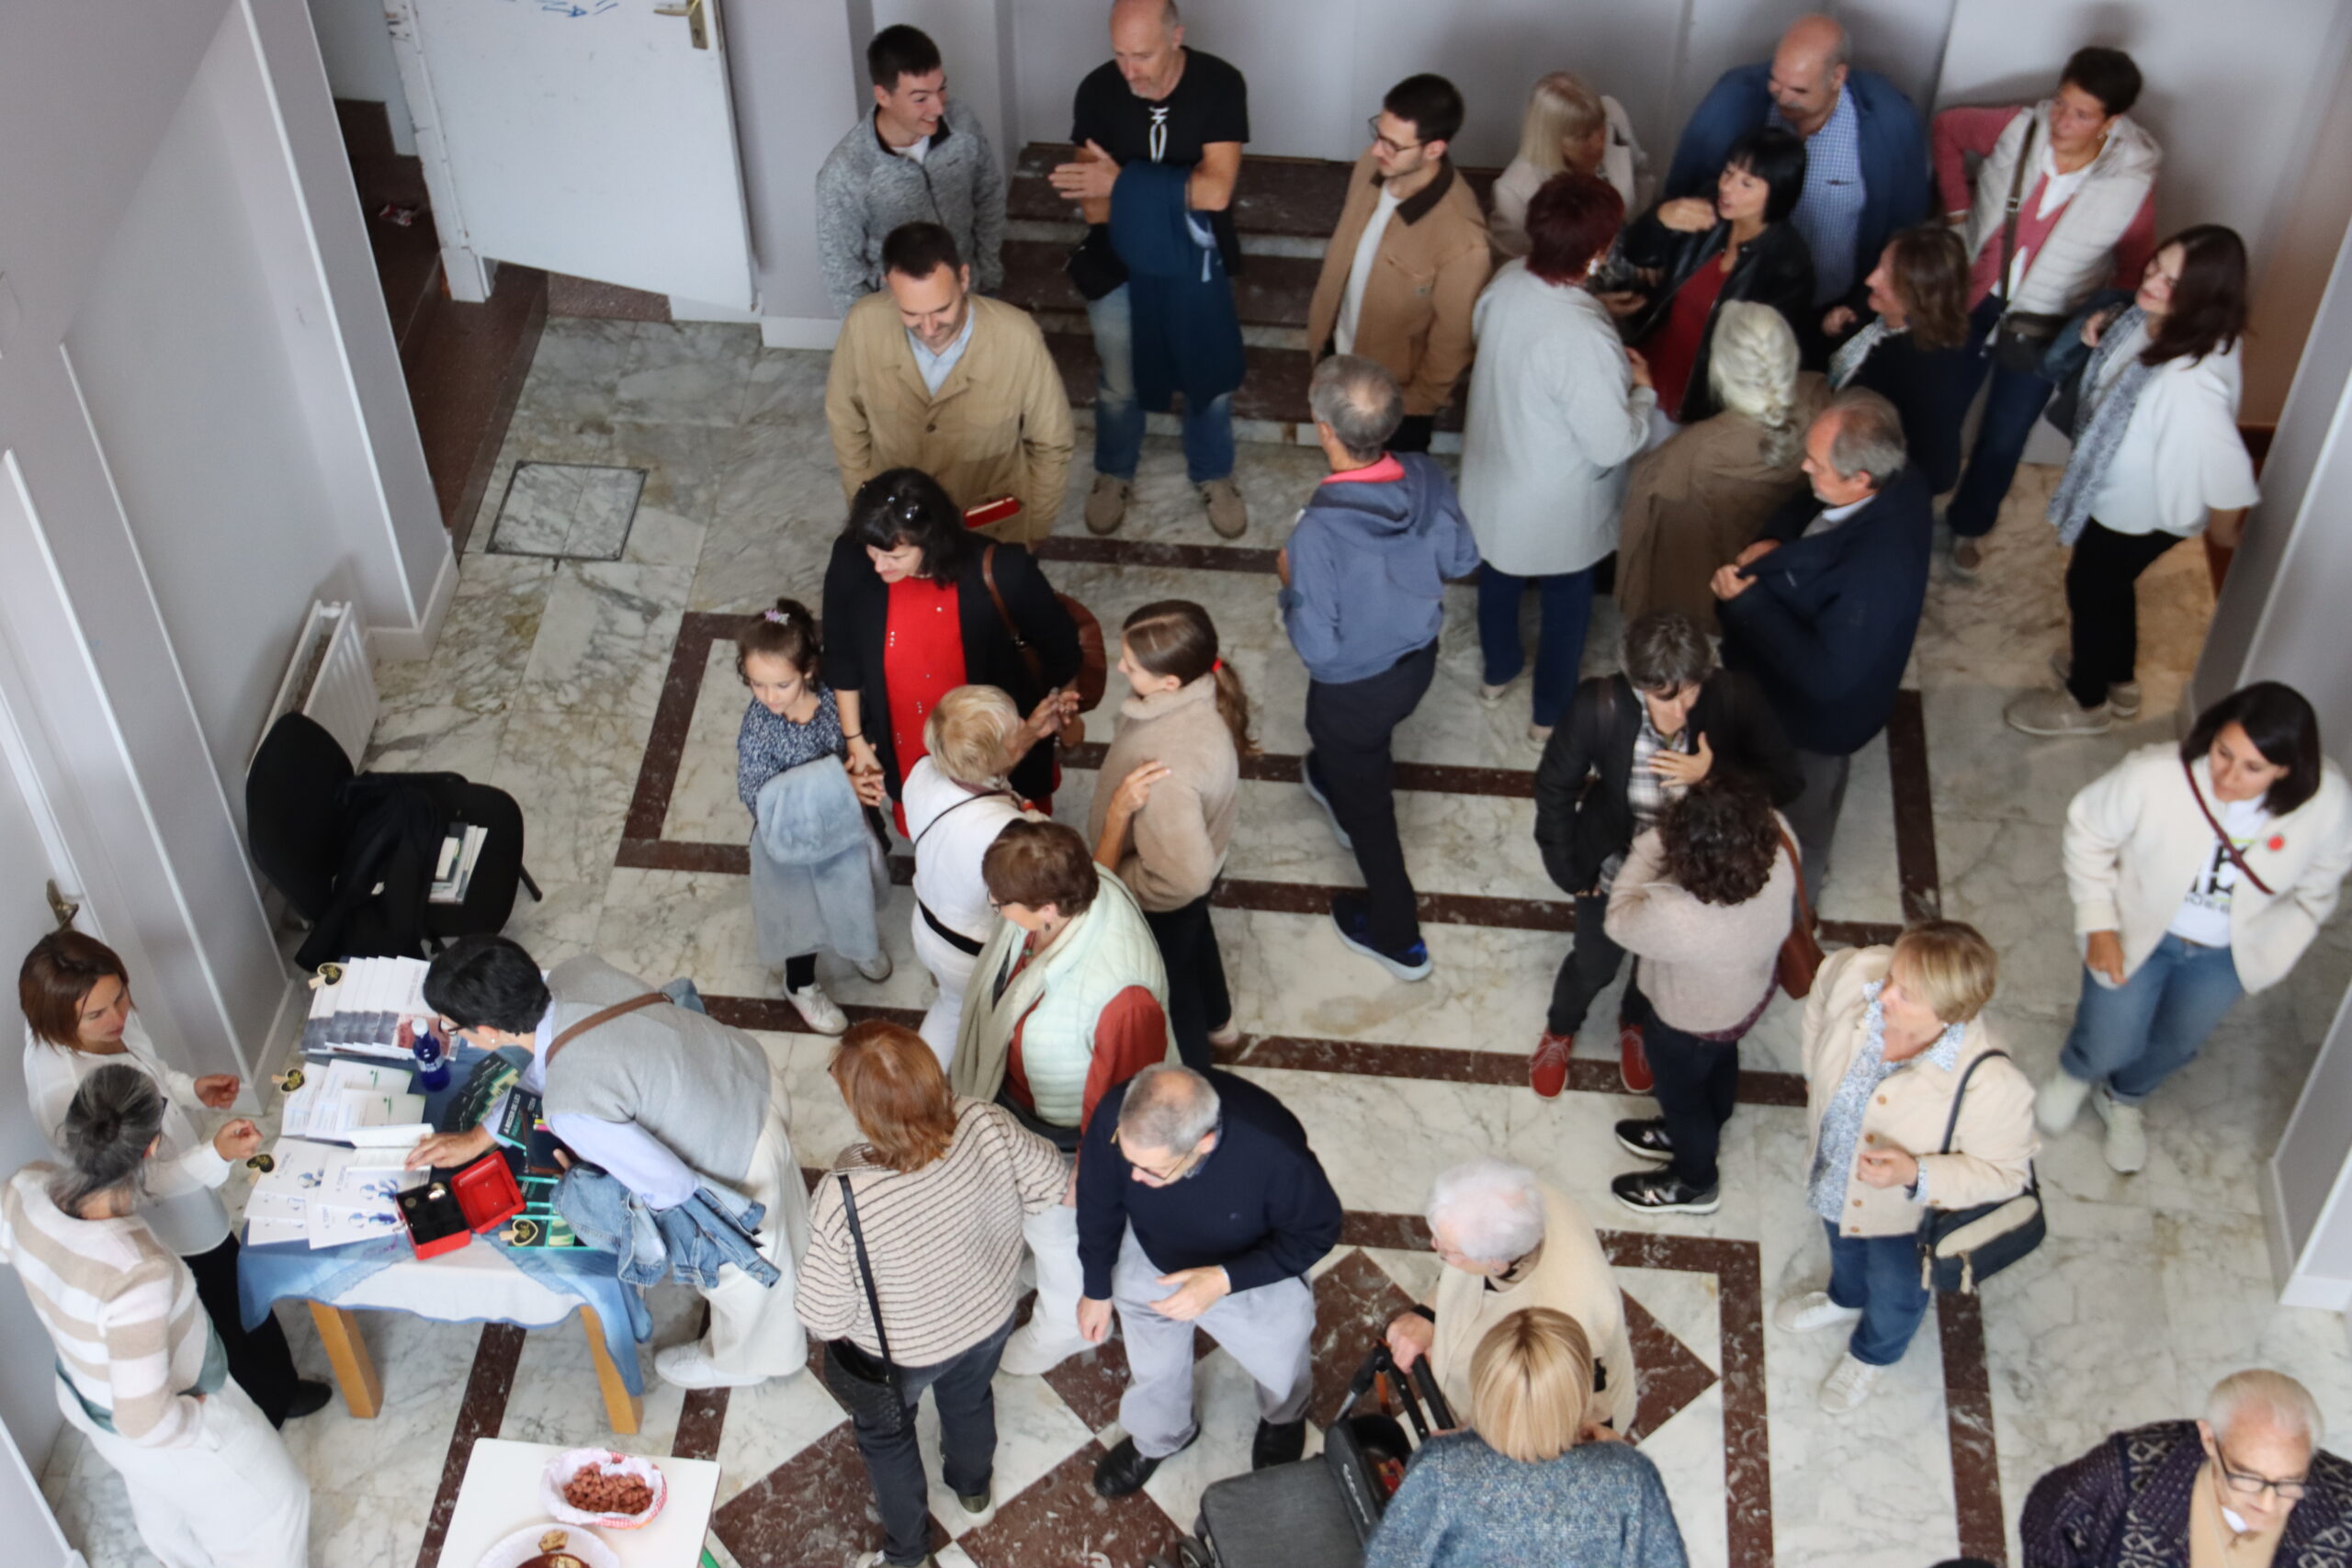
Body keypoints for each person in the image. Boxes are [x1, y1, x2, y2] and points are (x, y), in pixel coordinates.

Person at [404, 938, 809, 1390]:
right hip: (746, 1073)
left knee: (747, 1283)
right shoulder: (576, 972)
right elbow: (553, 1064)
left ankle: (744, 1362)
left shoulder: (573, 1109)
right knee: (787, 1219)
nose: (452, 1033)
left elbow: (672, 1189)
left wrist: (589, 1181)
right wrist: (480, 1137)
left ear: (487, 1032)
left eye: (453, 1027)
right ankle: (802, 1256)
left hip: (737, 1153)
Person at [0, 1065, 311, 1568]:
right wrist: (199, 1422)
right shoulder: (136, 1271)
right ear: (150, 1146)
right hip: (165, 1418)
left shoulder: (25, 1187)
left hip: (90, 1402)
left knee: (166, 1522)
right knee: (280, 1509)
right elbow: (146, 1421)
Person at [2037, 683, 2352, 1173]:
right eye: (2223, 753)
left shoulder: (2327, 802)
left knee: (2178, 1040)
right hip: (2138, 933)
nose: (2228, 776)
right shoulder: (2155, 774)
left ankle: (2124, 1098)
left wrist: (2279, 945)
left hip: (2226, 956)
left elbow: (2324, 880)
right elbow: (2088, 831)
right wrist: (2098, 923)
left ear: (2286, 769)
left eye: (2253, 768)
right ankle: (2078, 1071)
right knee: (2110, 1030)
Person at [17, 932, 328, 1427]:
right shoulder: (66, 1093)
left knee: (229, 1286)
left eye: (120, 997)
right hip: (165, 1219)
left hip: (185, 1185)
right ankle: (274, 1399)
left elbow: (148, 1072)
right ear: (58, 1019)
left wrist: (189, 1089)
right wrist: (214, 1155)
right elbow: (138, 1183)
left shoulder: (108, 1015)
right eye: (97, 1014)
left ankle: (271, 1384)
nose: (118, 1017)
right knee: (223, 1307)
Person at [797, 1022, 1068, 1568]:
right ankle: (974, 1492)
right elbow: (1053, 1182)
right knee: (969, 1401)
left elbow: (824, 1318)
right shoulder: (985, 1120)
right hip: (990, 1316)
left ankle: (909, 1554)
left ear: (863, 1112)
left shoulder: (841, 1197)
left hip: (901, 1354)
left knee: (887, 1441)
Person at [1532, 612, 1801, 1098]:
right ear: (1637, 683)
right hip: (1613, 862)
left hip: (1694, 879)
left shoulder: (1734, 696)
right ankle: (1560, 1027)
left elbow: (1787, 780)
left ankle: (1634, 1022)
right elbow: (1554, 788)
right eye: (1664, 697)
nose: (1680, 711)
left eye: (1691, 692)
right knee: (1593, 962)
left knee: (1658, 966)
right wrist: (1569, 872)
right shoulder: (1599, 706)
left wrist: (1712, 775)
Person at [2006, 228, 2262, 739]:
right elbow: (2125, 353)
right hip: (2122, 498)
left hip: (2139, 511)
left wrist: (2225, 535)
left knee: (2089, 589)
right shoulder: (2166, 322)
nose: (2152, 283)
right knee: (2110, 587)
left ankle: (2086, 701)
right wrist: (2103, 327)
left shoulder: (2191, 377)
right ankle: (2118, 677)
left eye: (2173, 282)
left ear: (2205, 294)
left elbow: (2228, 469)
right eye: (2155, 267)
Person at [1776, 923, 2034, 1413]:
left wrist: (1917, 1173)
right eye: (1893, 975)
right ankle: (1845, 1298)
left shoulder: (1990, 1082)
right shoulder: (1859, 972)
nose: (1884, 993)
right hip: (1835, 1174)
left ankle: (1873, 1353)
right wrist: (1814, 1072)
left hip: (1905, 1218)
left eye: (1906, 994)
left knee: (1897, 1289)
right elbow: (1820, 1001)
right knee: (1842, 1243)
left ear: (1949, 1014)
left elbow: (2007, 1175)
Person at [1282, 355, 1482, 982]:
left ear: (1325, 431)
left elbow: (1318, 648)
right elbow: (1463, 557)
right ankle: (1337, 782)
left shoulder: (1317, 533)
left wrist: (1289, 583)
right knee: (1349, 754)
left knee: (1370, 816)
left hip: (1352, 693)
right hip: (1416, 664)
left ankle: (1398, 937)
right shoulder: (1425, 474)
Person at [949, 819, 1173, 1377]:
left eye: (1002, 903)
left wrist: (1087, 1177)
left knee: (1060, 1238)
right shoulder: (1074, 891)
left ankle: (1064, 1325)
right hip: (1024, 1109)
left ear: (1047, 908)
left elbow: (1124, 1101)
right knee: (1034, 1223)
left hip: (1068, 1142)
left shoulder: (1122, 998)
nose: (996, 910)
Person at [1933, 48, 2161, 570]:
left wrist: (2099, 318)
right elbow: (1946, 129)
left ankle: (1970, 525)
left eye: (2081, 114)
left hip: (2046, 322)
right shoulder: (2018, 129)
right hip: (1973, 298)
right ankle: (1905, 505)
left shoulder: (2132, 183)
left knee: (2006, 434)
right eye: (2060, 103)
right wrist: (1958, 214)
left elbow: (2134, 269)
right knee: (1937, 406)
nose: (2061, 121)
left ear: (2112, 122)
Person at [1077, 1063, 1341, 1496]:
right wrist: (1095, 1287)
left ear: (1204, 1143)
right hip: (1151, 1253)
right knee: (1152, 1364)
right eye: (1129, 1161)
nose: (1135, 1178)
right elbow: (1097, 1198)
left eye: (1152, 1171)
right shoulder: (1119, 1115)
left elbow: (1317, 1232)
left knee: (1282, 1352)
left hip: (1247, 1266)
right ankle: (1162, 1436)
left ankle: (1283, 1417)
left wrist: (1222, 1280)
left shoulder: (1273, 1151)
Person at [1713, 389, 1932, 901]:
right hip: (1789, 691)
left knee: (1801, 824)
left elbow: (1826, 676)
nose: (1804, 467)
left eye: (1817, 464)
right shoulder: (1897, 476)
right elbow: (1806, 506)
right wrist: (1774, 540)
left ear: (1860, 479)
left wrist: (1748, 604)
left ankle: (1795, 908)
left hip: (1813, 723)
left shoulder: (1874, 573)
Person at [1460, 172, 1654, 744]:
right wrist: (1643, 394)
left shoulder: (1508, 279)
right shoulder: (1584, 336)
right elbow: (1611, 443)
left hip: (1496, 470)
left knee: (1497, 578)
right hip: (1557, 499)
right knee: (1567, 604)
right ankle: (1548, 714)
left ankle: (1497, 673)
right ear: (1598, 252)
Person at [1050, 0, 1250, 539]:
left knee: (1208, 378)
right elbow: (1095, 208)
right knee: (1119, 379)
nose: (1129, 71)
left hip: (1197, 259)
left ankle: (1213, 472)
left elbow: (1217, 192)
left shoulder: (1219, 84)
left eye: (1141, 55)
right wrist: (1172, 189)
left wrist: (1122, 181)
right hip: (1117, 260)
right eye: (1119, 54)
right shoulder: (1098, 90)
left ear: (1176, 37)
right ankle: (1114, 471)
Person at [821, 468, 1081, 824]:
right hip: (907, 743)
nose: (879, 566)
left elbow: (1062, 649)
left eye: (895, 557)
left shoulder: (1005, 571)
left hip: (992, 747)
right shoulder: (852, 559)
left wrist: (1065, 710)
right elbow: (841, 654)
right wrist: (855, 739)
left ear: (930, 540)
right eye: (872, 550)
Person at [1606, 776, 1802, 1215]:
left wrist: (1656, 840)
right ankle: (1712, 1123)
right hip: (1748, 994)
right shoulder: (1780, 834)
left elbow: (1619, 918)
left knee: (1682, 1100)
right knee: (1720, 1059)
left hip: (1691, 1018)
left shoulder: (1676, 914)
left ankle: (1696, 1182)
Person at [1363, 1308, 1689, 1568]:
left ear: (1482, 1389)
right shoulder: (1628, 1476)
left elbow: (1389, 1559)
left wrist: (1458, 1446)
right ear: (1580, 1395)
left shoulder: (1442, 1467)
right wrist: (1619, 1458)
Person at [825, 222, 1074, 546]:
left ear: (964, 278)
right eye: (912, 314)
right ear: (888, 287)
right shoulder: (862, 324)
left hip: (989, 531)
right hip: (898, 535)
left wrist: (1033, 530)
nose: (929, 329)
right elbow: (846, 422)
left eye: (942, 309)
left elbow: (1051, 444)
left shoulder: (1018, 338)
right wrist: (868, 509)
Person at [1663, 13, 1930, 313]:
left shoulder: (1890, 120)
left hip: (1828, 309)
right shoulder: (1734, 96)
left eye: (1799, 91)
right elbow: (1684, 186)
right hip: (1732, 306)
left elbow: (1906, 224)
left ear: (1837, 77)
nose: (1783, 98)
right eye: (1775, 82)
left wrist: (1862, 306)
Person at [1089, 601, 1251, 1071]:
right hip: (1200, 863)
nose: (1121, 668)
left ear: (1169, 682)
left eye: (1132, 665)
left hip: (1162, 898)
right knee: (1195, 939)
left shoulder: (1166, 770)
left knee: (1171, 993)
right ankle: (1222, 1028)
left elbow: (1183, 880)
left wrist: (1120, 880)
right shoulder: (1201, 693)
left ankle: (1196, 1081)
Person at [1304, 74, 1491, 453]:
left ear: (1434, 149)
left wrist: (1411, 406)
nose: (1377, 149)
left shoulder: (1462, 239)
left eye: (1393, 144)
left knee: (1391, 486)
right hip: (1337, 367)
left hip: (1394, 407)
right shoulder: (1369, 167)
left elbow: (1452, 344)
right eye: (1379, 133)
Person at [1616, 301, 1829, 630]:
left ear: (1718, 370)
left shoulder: (1678, 461)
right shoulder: (1822, 401)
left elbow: (1650, 567)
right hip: (1787, 589)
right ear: (1790, 354)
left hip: (1708, 605)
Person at [735, 598, 893, 1035]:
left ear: (807, 670)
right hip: (793, 844)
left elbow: (864, 738)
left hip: (847, 828)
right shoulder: (759, 729)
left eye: (781, 684)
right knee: (802, 917)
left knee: (853, 889)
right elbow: (756, 797)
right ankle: (800, 983)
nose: (769, 697)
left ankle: (857, 943)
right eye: (757, 684)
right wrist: (839, 784)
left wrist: (864, 767)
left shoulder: (836, 699)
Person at [1385, 1159, 1637, 1432]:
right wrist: (1428, 1313)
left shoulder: (1565, 1316)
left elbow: (1569, 1426)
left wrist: (1473, 1442)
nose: (1435, 1247)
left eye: (1448, 1252)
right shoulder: (1513, 1199)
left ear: (1494, 1262)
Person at [2021, 1369, 2352, 1565]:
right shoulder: (2130, 1467)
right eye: (2247, 1478)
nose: (2269, 1505)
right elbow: (2049, 1514)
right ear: (2208, 1439)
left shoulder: (2345, 1502)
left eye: (2289, 1482)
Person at [1611, 129, 1815, 424]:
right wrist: (1659, 218)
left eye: (1746, 184)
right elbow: (1638, 254)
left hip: (1699, 399)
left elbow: (1766, 364)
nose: (1727, 187)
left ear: (1778, 192)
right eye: (1728, 172)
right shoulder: (1707, 206)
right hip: (1646, 363)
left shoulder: (1789, 265)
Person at [815, 26, 1005, 315]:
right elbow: (842, 273)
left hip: (972, 296)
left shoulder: (962, 122)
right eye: (920, 98)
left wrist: (988, 276)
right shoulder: (845, 173)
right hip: (902, 318)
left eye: (941, 89)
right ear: (883, 96)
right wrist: (873, 332)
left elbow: (988, 194)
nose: (938, 108)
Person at [904, 685, 1043, 1066]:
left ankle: (924, 1081)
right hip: (967, 953)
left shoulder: (922, 770)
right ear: (989, 758)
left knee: (949, 1005)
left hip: (926, 923)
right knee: (964, 1016)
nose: (1022, 723)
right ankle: (928, 1089)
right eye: (1015, 727)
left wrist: (1023, 740)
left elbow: (981, 781)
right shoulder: (1006, 831)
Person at [1819, 223, 1975, 494]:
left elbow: (1939, 473)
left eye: (1888, 277)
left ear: (1919, 294)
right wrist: (1835, 329)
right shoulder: (1877, 312)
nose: (1871, 279)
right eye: (1879, 265)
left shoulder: (1927, 373)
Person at [1490, 72, 1649, 259]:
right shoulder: (1513, 192)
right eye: (1584, 137)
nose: (1600, 142)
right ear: (1550, 140)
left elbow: (1641, 174)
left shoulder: (1613, 111)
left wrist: (1643, 246)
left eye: (1601, 127)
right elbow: (1514, 262)